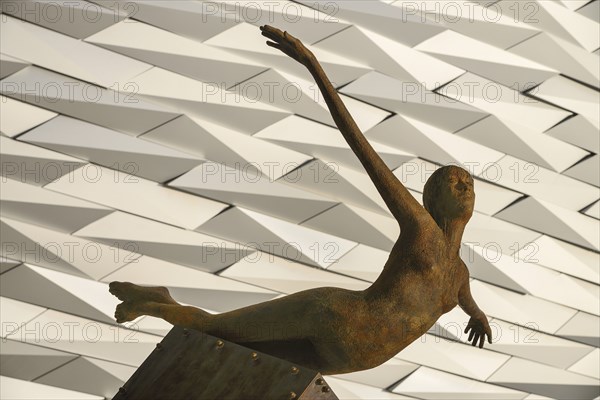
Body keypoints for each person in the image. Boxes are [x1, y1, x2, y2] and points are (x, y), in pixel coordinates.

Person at [109, 25, 492, 375]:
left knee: (238, 355)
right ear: (431, 199)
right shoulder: (420, 228)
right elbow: (363, 150)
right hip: (335, 318)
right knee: (215, 330)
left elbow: (464, 302)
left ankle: (163, 299)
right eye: (454, 183)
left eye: (469, 183)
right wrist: (313, 67)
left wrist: (477, 317)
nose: (466, 188)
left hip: (356, 356)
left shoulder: (460, 274)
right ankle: (157, 305)